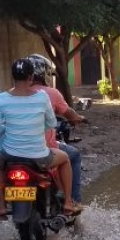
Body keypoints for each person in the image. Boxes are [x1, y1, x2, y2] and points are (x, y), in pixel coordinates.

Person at [0, 58, 80, 218]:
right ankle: (68, 203)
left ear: (13, 77)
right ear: (31, 77)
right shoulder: (42, 97)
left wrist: (9, 126)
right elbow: (51, 123)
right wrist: (37, 127)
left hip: (10, 156)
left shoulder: (1, 99)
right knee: (65, 158)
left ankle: (2, 206)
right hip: (39, 156)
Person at [26, 53, 86, 204]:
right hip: (42, 150)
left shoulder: (13, 93)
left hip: (14, 151)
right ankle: (72, 201)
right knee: (72, 155)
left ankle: (1, 205)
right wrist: (79, 119)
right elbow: (69, 114)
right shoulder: (50, 93)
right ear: (44, 74)